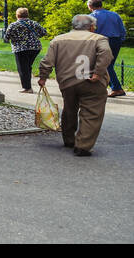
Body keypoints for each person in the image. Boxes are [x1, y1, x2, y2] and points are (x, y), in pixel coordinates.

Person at [38, 13, 113, 156]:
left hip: (67, 82)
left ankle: (69, 139)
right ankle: (83, 146)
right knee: (92, 113)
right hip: (92, 82)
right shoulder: (98, 39)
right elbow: (106, 53)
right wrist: (98, 73)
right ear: (91, 27)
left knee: (69, 109)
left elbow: (47, 61)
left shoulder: (58, 40)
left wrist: (43, 77)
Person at [86, 0, 126, 98]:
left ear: (90, 6)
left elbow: (89, 32)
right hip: (115, 41)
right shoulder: (114, 14)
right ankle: (104, 86)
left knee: (105, 65)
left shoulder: (91, 17)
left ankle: (116, 88)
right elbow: (122, 30)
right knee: (108, 65)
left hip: (102, 41)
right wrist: (120, 40)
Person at [2, 8, 47, 93]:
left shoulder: (13, 25)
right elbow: (44, 32)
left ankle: (27, 88)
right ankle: (28, 86)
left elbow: (6, 38)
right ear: (27, 15)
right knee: (27, 67)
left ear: (17, 15)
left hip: (20, 49)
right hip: (35, 48)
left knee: (23, 68)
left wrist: (15, 39)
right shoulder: (34, 23)